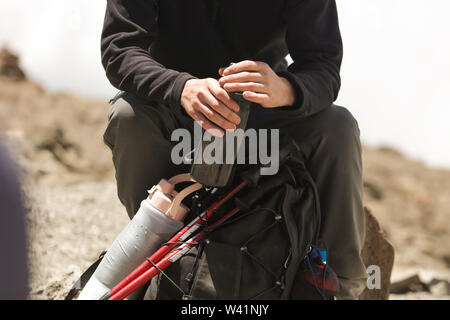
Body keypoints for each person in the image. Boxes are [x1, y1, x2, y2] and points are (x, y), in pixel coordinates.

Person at [101, 0, 367, 299]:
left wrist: (286, 89)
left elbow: (323, 66)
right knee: (128, 115)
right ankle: (146, 257)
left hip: (266, 119)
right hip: (174, 113)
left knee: (338, 126)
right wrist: (181, 88)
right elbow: (119, 49)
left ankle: (341, 289)